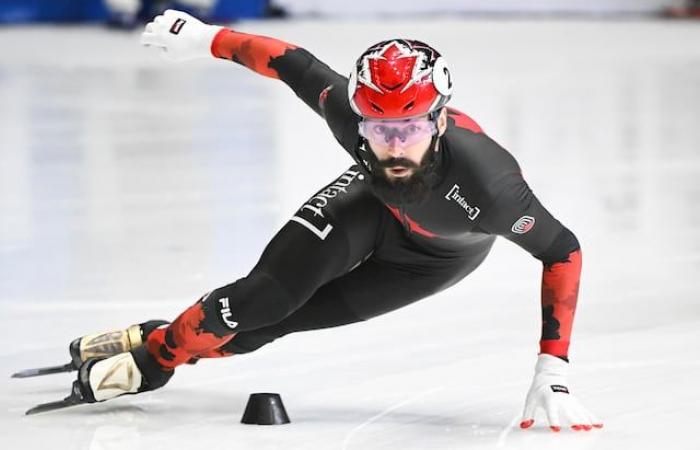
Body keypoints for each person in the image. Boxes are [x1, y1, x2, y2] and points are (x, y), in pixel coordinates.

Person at [55, 9, 603, 432]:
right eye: (376, 129)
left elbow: (563, 249)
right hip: (368, 206)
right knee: (262, 300)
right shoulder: (351, 115)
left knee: (275, 326)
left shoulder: (490, 183)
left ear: (438, 120)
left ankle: (155, 340)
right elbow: (290, 60)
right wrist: (204, 39)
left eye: (409, 128)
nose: (392, 147)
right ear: (357, 115)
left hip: (434, 258)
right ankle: (157, 354)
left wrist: (552, 370)